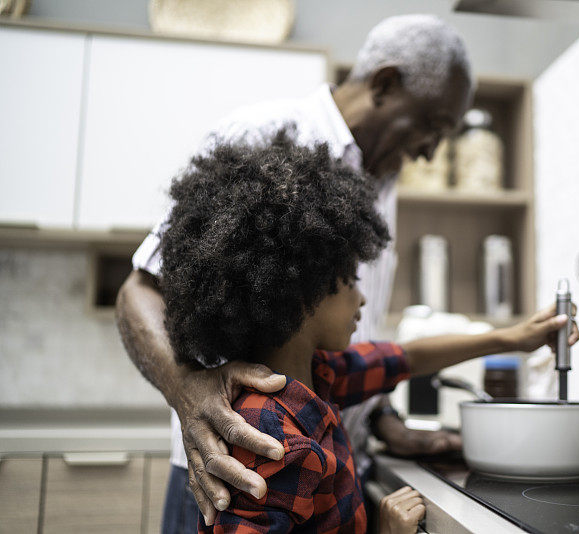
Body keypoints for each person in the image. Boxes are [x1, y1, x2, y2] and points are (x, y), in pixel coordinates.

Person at [116, 14, 477, 532]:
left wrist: (381, 418)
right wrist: (189, 394)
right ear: (385, 83)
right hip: (234, 464)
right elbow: (141, 289)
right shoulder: (264, 133)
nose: (428, 151)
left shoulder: (383, 174)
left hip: (333, 456)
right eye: (431, 126)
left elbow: (338, 338)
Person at [158, 134, 579, 533]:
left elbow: (406, 358)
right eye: (350, 279)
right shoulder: (272, 440)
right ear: (305, 291)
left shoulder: (318, 377)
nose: (362, 298)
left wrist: (513, 338)